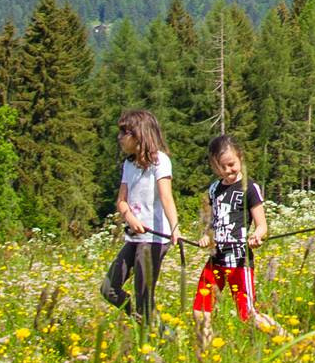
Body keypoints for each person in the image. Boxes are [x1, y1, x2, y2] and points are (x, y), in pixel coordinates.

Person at [103, 109, 181, 322]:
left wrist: (175, 228)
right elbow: (121, 201)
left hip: (154, 239)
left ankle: (154, 333)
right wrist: (129, 217)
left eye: (124, 132)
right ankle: (146, 322)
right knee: (109, 289)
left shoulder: (160, 161)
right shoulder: (129, 164)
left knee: (144, 297)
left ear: (140, 134)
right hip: (134, 237)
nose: (119, 137)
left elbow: (166, 197)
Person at [193, 134, 273, 336]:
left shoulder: (250, 188)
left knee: (248, 315)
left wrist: (256, 236)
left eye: (232, 165)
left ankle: (283, 338)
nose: (228, 170)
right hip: (216, 259)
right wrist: (206, 236)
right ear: (214, 166)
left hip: (239, 260)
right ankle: (206, 351)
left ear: (240, 159)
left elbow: (262, 225)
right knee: (200, 311)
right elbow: (213, 221)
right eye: (222, 167)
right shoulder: (214, 189)